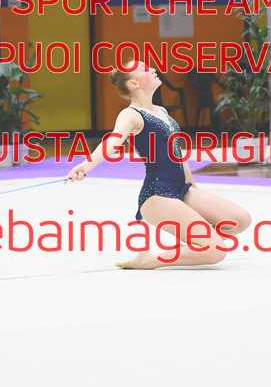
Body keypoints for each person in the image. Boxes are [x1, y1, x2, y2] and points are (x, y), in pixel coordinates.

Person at [66, 62, 251, 270]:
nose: (153, 69)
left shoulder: (161, 111)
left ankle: (198, 243)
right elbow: (112, 142)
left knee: (240, 220)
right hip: (157, 195)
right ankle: (151, 259)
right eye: (145, 69)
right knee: (217, 250)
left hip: (181, 189)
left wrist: (194, 190)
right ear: (134, 83)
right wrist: (85, 166)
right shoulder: (131, 114)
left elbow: (177, 154)